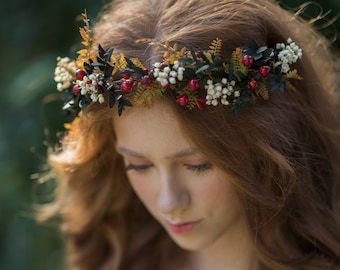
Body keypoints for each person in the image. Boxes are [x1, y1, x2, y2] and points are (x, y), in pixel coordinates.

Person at [42, 0, 340, 269]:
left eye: (198, 165)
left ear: (271, 142)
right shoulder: (114, 257)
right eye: (139, 166)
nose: (169, 202)